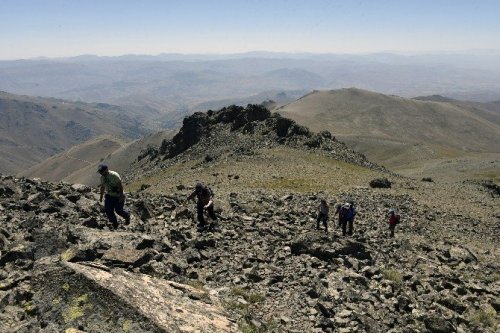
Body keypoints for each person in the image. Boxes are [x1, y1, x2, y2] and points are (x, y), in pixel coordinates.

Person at [98, 164, 130, 229]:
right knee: (108, 210)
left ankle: (127, 216)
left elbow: (120, 186)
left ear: (106, 170)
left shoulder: (114, 175)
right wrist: (101, 196)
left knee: (118, 210)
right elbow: (102, 187)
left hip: (118, 196)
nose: (101, 173)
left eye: (102, 172)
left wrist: (121, 197)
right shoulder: (102, 177)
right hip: (109, 195)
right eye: (100, 172)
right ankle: (115, 223)